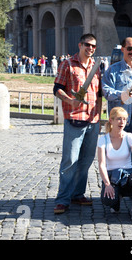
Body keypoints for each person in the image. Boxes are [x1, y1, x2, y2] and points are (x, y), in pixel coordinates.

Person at [53, 33, 102, 214]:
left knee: (86, 161)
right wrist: (70, 101)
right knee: (70, 160)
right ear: (80, 45)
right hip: (74, 117)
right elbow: (57, 88)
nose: (90, 48)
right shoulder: (67, 64)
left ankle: (78, 194)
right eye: (88, 45)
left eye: (93, 46)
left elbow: (99, 94)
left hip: (93, 120)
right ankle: (62, 199)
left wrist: (100, 117)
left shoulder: (96, 67)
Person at [97, 107, 132, 221]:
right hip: (111, 177)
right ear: (111, 120)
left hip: (127, 175)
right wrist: (107, 184)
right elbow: (101, 164)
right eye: (119, 119)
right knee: (107, 200)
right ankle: (116, 201)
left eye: (124, 119)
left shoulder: (130, 137)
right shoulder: (103, 140)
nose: (122, 122)